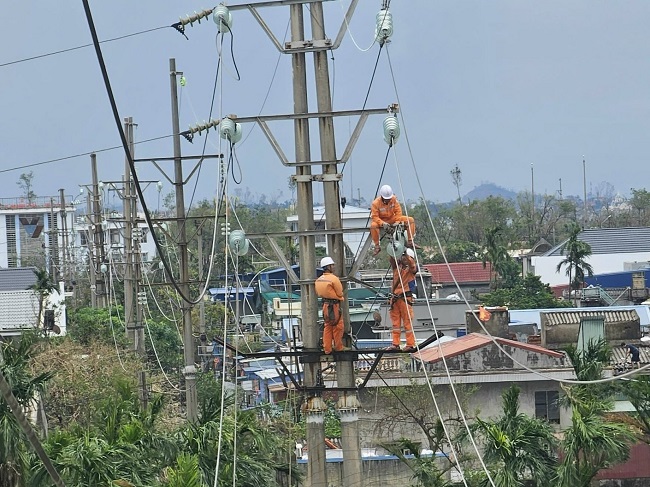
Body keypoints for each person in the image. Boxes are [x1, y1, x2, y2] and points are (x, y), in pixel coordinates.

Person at [386, 248, 417, 353]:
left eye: (406, 256)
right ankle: (395, 344)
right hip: (395, 299)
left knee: (407, 323)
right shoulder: (397, 268)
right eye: (402, 256)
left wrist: (405, 253)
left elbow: (412, 265)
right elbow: (392, 260)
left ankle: (410, 344)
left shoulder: (411, 270)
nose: (404, 258)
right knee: (395, 324)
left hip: (405, 299)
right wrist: (394, 248)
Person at [370, 184, 416, 256]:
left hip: (393, 219)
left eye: (389, 198)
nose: (388, 200)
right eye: (386, 199)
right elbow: (375, 217)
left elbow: (398, 211)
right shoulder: (375, 203)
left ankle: (410, 241)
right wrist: (382, 224)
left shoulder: (393, 199)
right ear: (382, 196)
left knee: (410, 220)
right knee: (373, 225)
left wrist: (397, 222)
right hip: (381, 221)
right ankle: (377, 246)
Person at [315, 256, 346, 354]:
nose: (333, 266)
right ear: (328, 266)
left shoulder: (319, 280)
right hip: (334, 306)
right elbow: (340, 293)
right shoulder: (334, 279)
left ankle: (327, 349)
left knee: (327, 326)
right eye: (332, 265)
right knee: (338, 326)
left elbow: (318, 292)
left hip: (325, 306)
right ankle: (338, 347)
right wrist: (339, 297)